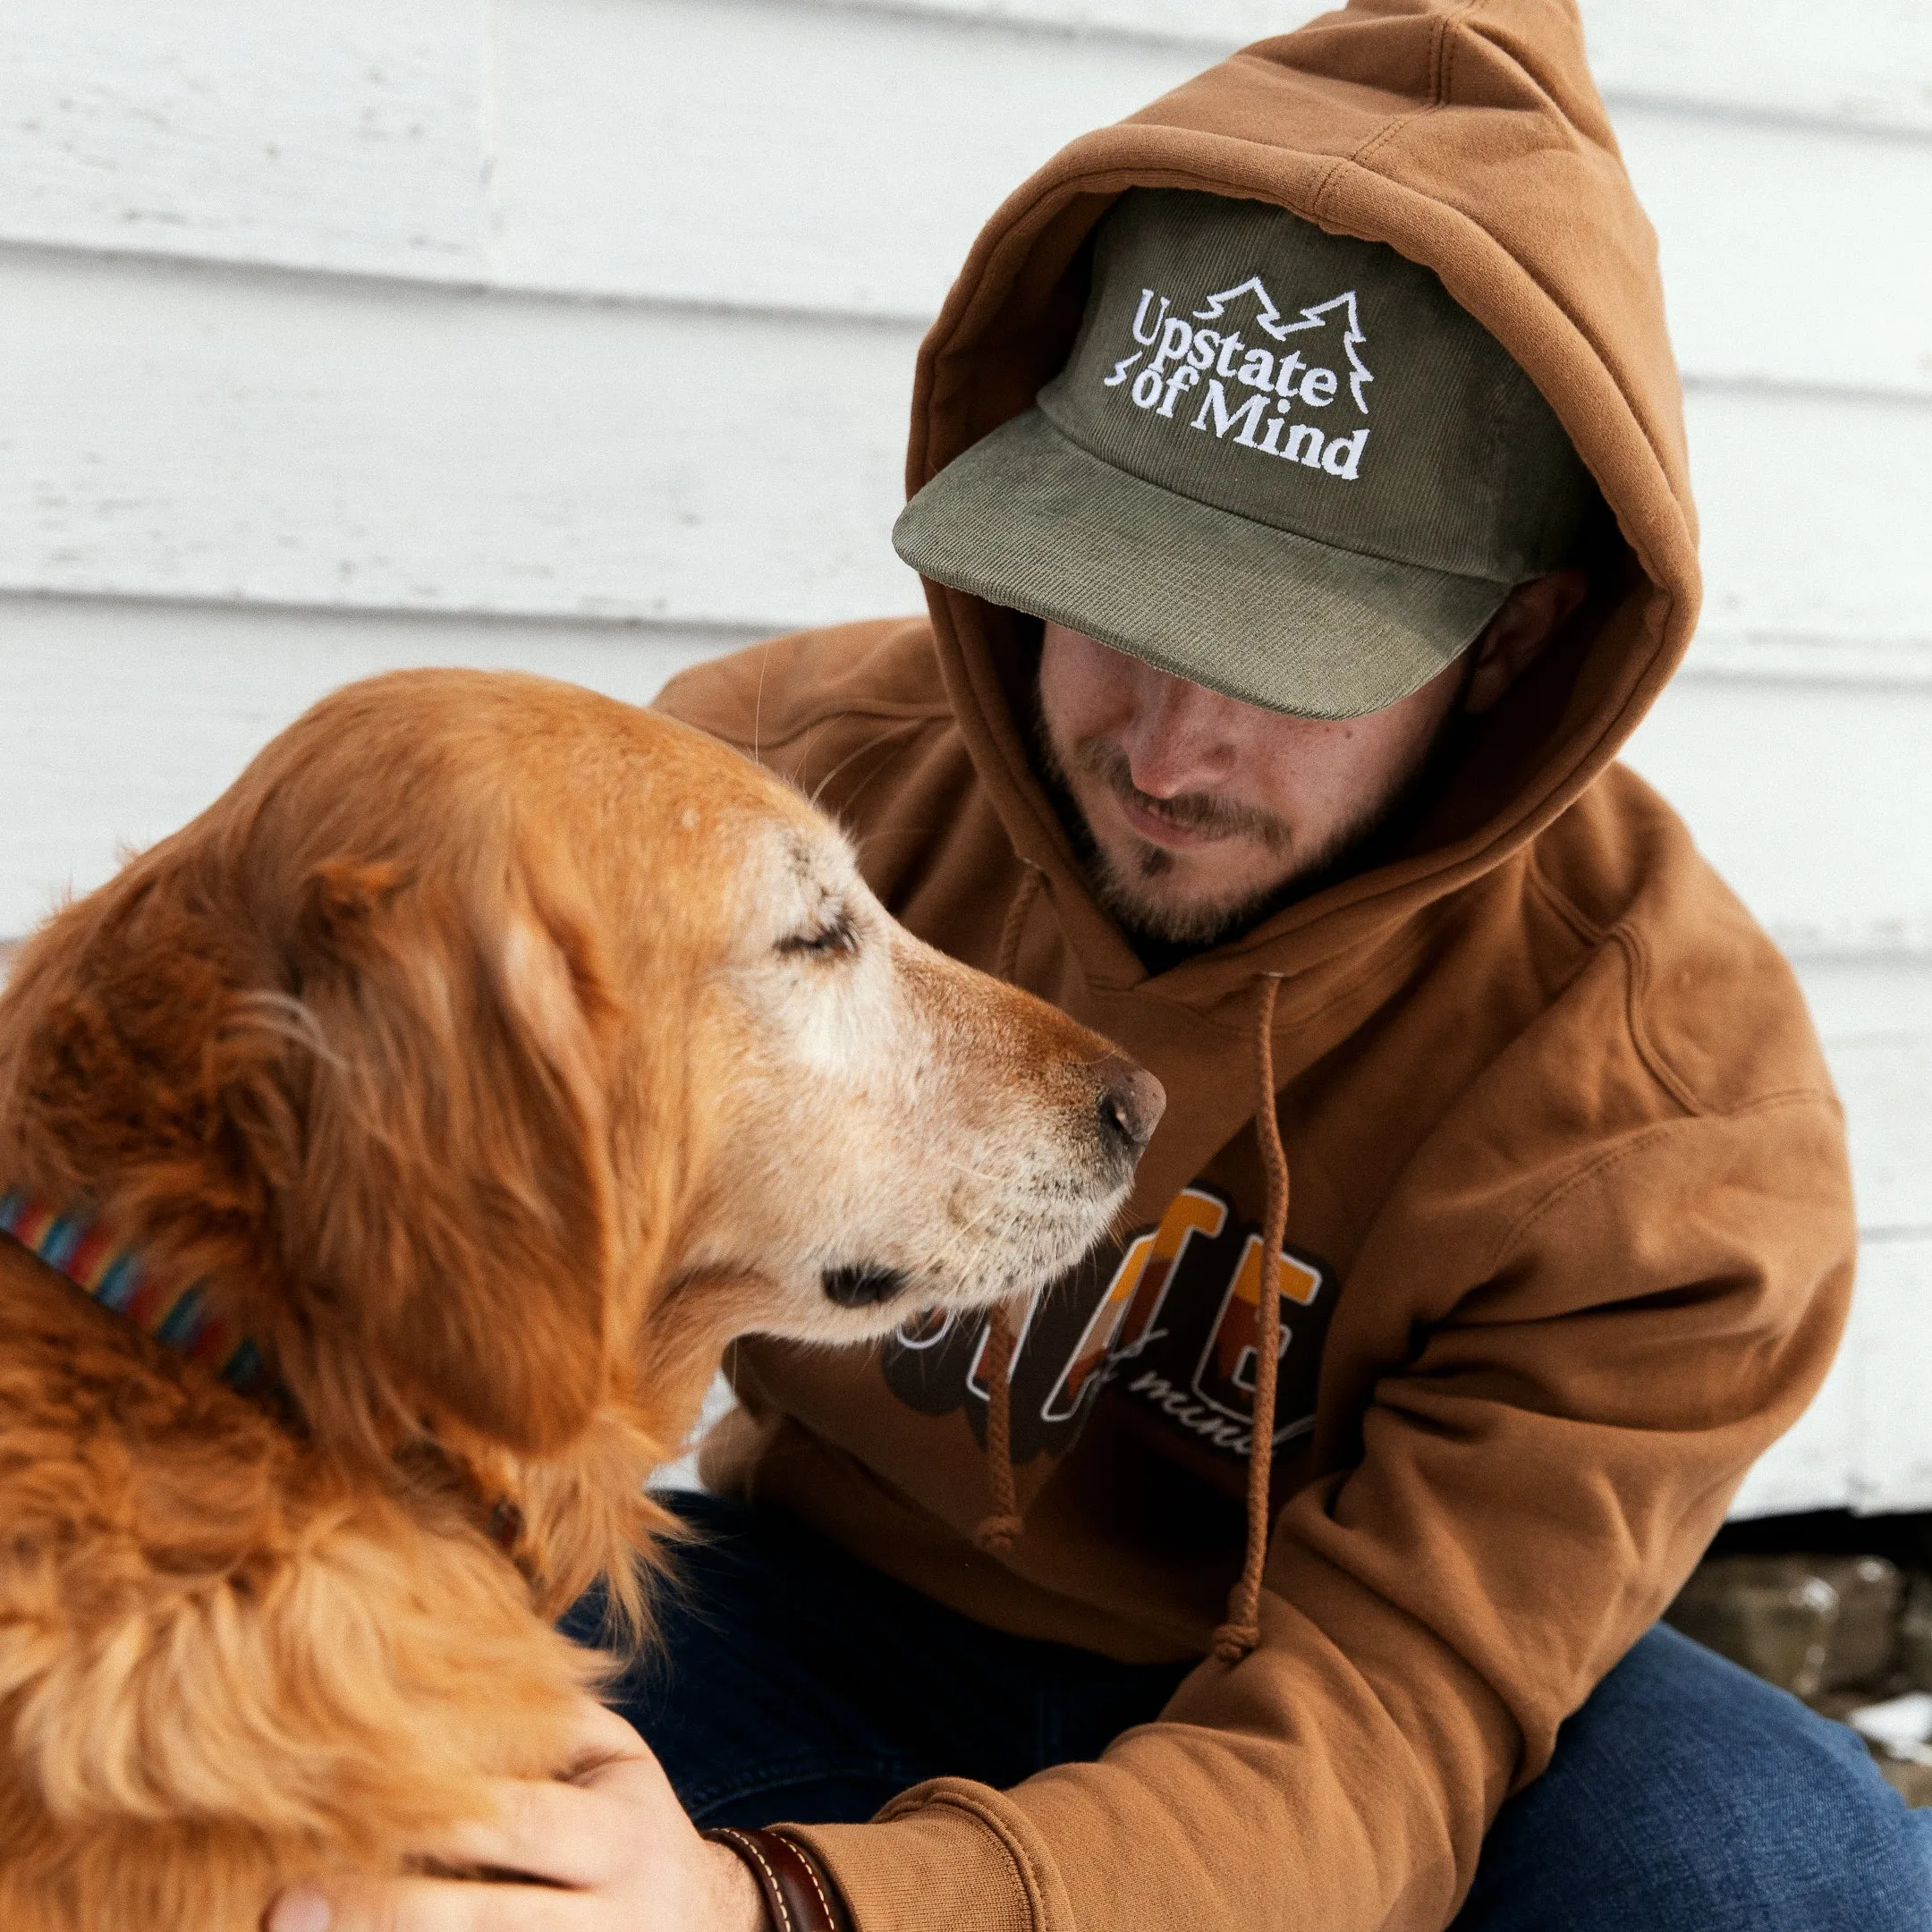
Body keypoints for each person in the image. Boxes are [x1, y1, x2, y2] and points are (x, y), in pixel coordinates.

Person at [275, 4, 1932, 1930]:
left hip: (1337, 1691)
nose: (1161, 752)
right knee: (334, 1710)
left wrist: (775, 1909)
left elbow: (1381, 1740)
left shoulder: (1671, 1118)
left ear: (1516, 639)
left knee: (1775, 1867)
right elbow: (454, 1360)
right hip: (808, 1612)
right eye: (1113, 609)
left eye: (1286, 666)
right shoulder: (775, 801)